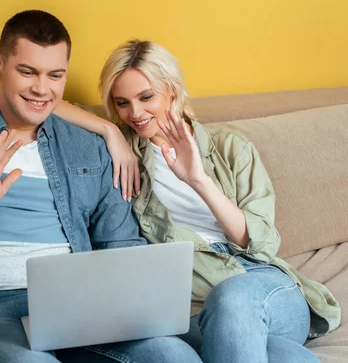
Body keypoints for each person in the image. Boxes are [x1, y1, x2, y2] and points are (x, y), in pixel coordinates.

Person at [0, 11, 202, 363]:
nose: (42, 89)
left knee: (170, 354)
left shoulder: (87, 149)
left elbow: (123, 248)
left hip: (75, 309)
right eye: (27, 72)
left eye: (55, 75)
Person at [55, 39, 341, 362]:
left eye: (146, 97)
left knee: (233, 299)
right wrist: (109, 131)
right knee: (287, 358)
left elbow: (261, 244)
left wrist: (198, 180)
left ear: (173, 91)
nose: (134, 113)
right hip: (191, 304)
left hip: (260, 285)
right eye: (122, 103)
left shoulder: (231, 147)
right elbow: (48, 102)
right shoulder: (124, 154)